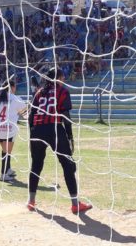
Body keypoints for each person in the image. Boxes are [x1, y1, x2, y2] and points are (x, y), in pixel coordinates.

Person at [27, 68, 92, 214]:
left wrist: (33, 132)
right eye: (63, 77)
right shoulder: (62, 91)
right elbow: (66, 116)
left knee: (36, 165)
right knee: (67, 165)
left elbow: (31, 115)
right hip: (54, 128)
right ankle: (75, 204)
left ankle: (31, 201)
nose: (64, 80)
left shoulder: (39, 92)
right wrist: (70, 136)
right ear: (59, 78)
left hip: (37, 129)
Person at [0, 80, 27, 182]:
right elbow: (26, 114)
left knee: (6, 150)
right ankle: (3, 174)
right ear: (12, 87)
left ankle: (8, 169)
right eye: (14, 87)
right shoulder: (15, 99)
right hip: (9, 129)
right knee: (6, 151)